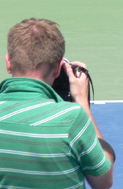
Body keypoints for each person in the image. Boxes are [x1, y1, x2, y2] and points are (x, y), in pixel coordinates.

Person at [0, 18, 115, 189]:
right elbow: (104, 182)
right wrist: (82, 104)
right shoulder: (72, 118)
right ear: (57, 69)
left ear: (8, 62)